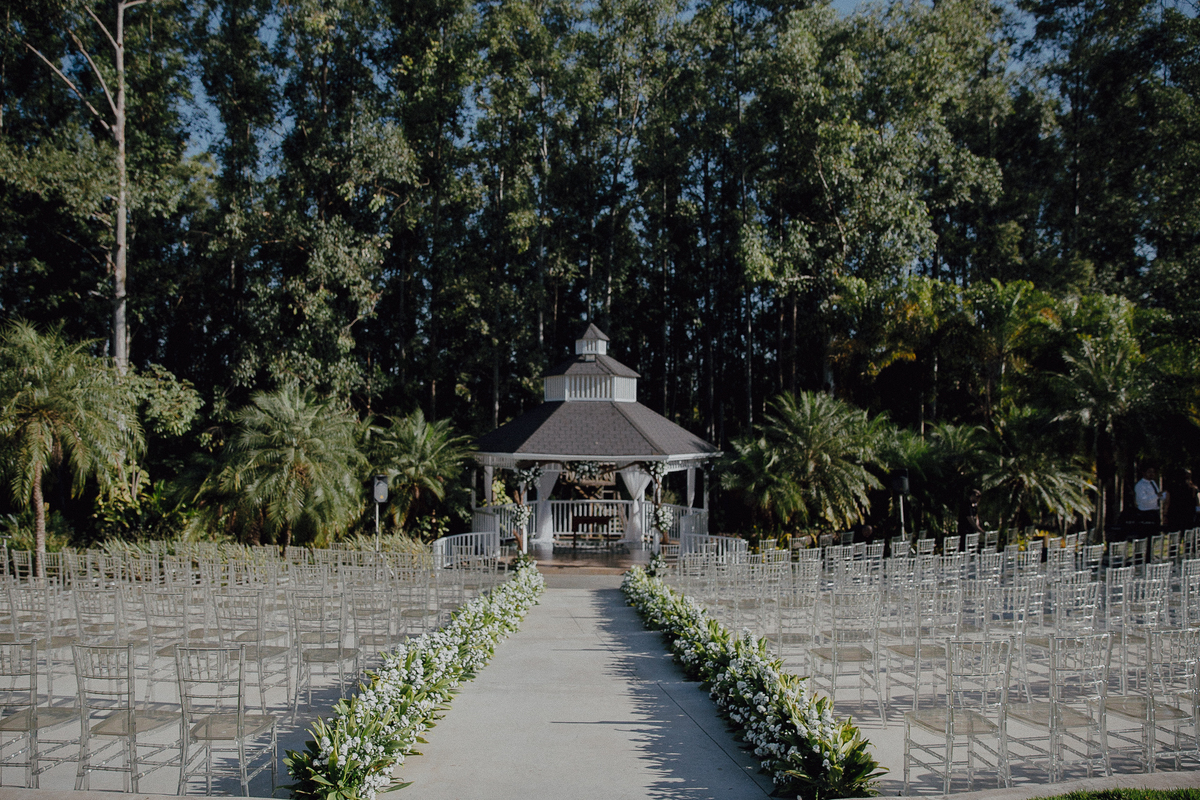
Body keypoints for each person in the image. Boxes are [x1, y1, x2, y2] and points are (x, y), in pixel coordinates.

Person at [1134, 466, 1166, 533]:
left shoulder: (1152, 482)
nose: (1152, 474)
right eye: (1149, 472)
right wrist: (1157, 496)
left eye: (1153, 472)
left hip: (1155, 512)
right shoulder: (1140, 485)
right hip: (1145, 513)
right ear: (1144, 473)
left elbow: (1158, 495)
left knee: (1155, 533)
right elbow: (1144, 500)